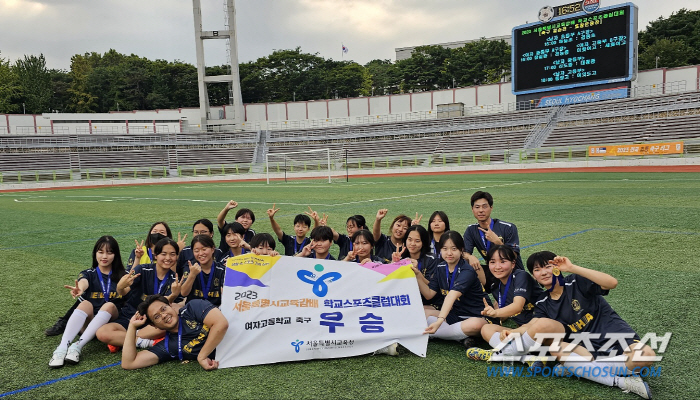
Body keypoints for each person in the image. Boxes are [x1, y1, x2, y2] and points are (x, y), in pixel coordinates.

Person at [471, 252, 654, 399]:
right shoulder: (543, 302)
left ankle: (581, 369)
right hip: (585, 348)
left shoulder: (576, 281)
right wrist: (512, 333)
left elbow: (612, 283)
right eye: (537, 269)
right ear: (533, 276)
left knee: (647, 356)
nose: (543, 272)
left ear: (557, 267)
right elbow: (533, 324)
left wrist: (572, 267)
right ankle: (622, 382)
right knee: (557, 348)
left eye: (547, 266)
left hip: (615, 336)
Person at [44, 221, 177, 337]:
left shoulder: (171, 258)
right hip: (107, 309)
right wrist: (137, 257)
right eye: (155, 231)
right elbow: (129, 276)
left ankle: (136, 336)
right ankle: (65, 321)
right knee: (84, 300)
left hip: (124, 308)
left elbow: (171, 274)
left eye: (162, 232)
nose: (158, 234)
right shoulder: (140, 252)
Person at [49, 236, 127, 368]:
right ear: (95, 253)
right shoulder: (89, 273)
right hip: (88, 326)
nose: (104, 256)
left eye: (109, 252)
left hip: (109, 326)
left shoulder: (122, 275)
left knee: (108, 305)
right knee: (85, 304)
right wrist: (80, 288)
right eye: (100, 252)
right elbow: (83, 282)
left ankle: (78, 346)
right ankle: (62, 348)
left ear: (116, 254)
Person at [96, 238, 184, 351]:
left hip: (155, 322)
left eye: (172, 254)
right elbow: (123, 292)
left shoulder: (175, 279)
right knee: (102, 333)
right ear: (155, 255)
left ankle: (124, 339)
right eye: (163, 254)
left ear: (177, 257)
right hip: (132, 316)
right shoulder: (142, 269)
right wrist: (120, 286)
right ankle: (146, 342)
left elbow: (165, 303)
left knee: (173, 321)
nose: (168, 258)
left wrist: (174, 295)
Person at [412, 231, 494, 349]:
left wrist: (439, 322)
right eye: (445, 249)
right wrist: (418, 275)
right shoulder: (440, 268)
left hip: (477, 315)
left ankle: (430, 335)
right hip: (455, 315)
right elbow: (429, 294)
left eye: (454, 249)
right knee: (422, 312)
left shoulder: (467, 270)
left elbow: (451, 295)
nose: (449, 253)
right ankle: (460, 336)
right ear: (440, 250)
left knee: (475, 325)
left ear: (461, 250)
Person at [465, 244, 543, 360]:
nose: (497, 266)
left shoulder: (521, 276)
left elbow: (517, 306)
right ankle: (525, 358)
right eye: (492, 262)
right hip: (520, 331)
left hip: (539, 329)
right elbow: (507, 309)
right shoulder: (495, 285)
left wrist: (495, 313)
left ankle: (497, 355)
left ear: (513, 264)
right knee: (486, 329)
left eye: (503, 262)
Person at [121, 295, 229, 370]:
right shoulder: (170, 346)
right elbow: (129, 363)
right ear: (154, 325)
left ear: (171, 306)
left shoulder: (193, 307)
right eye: (157, 316)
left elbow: (221, 324)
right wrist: (132, 327)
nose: (163, 315)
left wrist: (202, 356)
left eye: (164, 309)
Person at [462, 191, 523, 289]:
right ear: (472, 209)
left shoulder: (508, 227)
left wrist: (497, 242)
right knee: (466, 266)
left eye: (484, 206)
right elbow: (463, 253)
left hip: (512, 272)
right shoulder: (471, 230)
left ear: (491, 208)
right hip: (493, 271)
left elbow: (514, 255)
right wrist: (470, 256)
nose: (481, 210)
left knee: (503, 303)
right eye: (477, 207)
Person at [396, 225, 439, 307]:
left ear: (423, 243)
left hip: (427, 304)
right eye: (409, 240)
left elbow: (431, 287)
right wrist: (394, 264)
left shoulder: (432, 260)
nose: (412, 244)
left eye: (417, 241)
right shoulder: (401, 259)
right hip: (405, 303)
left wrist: (417, 273)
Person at [180, 235, 227, 307]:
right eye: (196, 251)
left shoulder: (221, 270)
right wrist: (192, 275)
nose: (201, 253)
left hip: (216, 311)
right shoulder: (190, 267)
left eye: (204, 249)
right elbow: (184, 293)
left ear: (212, 249)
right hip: (194, 310)